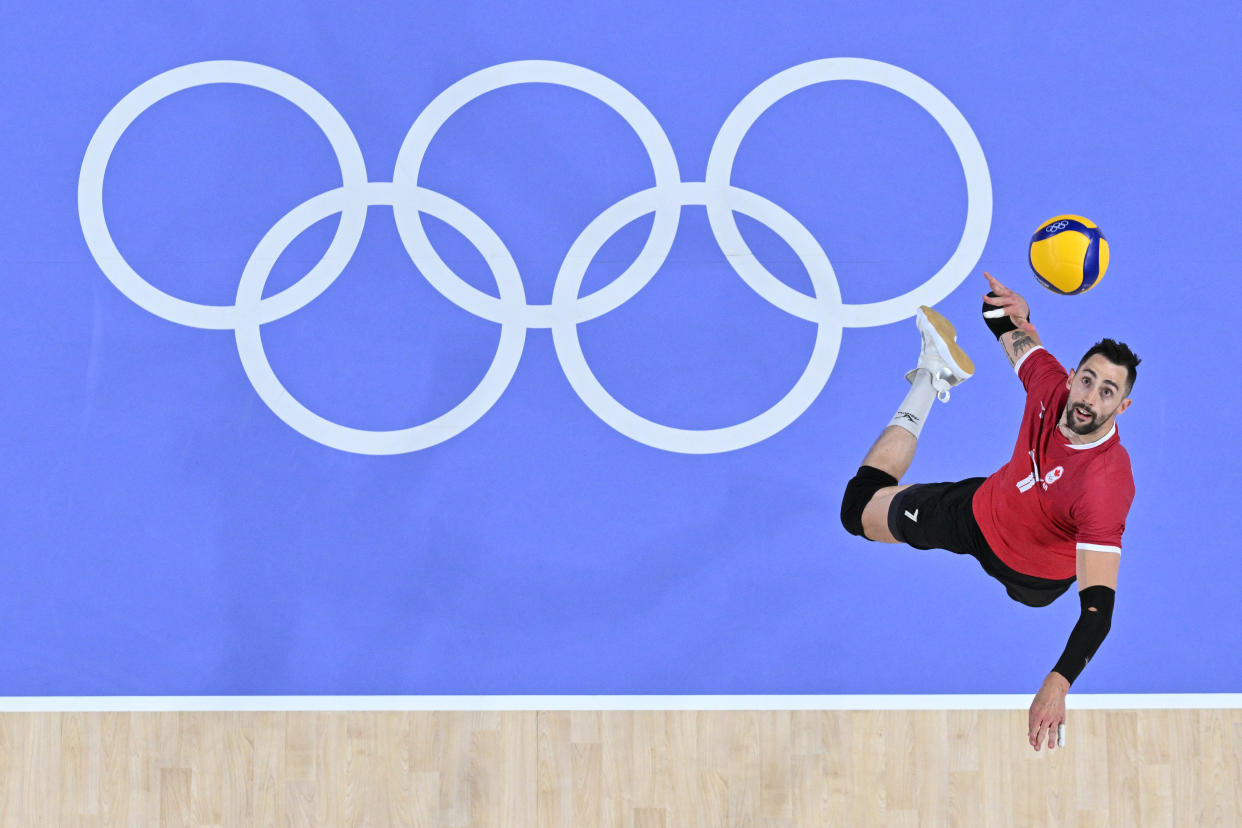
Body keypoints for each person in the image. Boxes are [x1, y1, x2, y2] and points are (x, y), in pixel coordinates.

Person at [839, 272, 1139, 752]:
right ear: (1071, 377)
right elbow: (1001, 324)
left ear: (1122, 407)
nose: (1089, 397)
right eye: (1087, 380)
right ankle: (933, 372)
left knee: (1029, 599)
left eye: (1107, 392)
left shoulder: (1105, 484)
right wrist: (1015, 313)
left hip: (1033, 578)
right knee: (857, 512)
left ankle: (933, 374)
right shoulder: (1048, 386)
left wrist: (1057, 683)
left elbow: (1098, 611)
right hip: (978, 511)